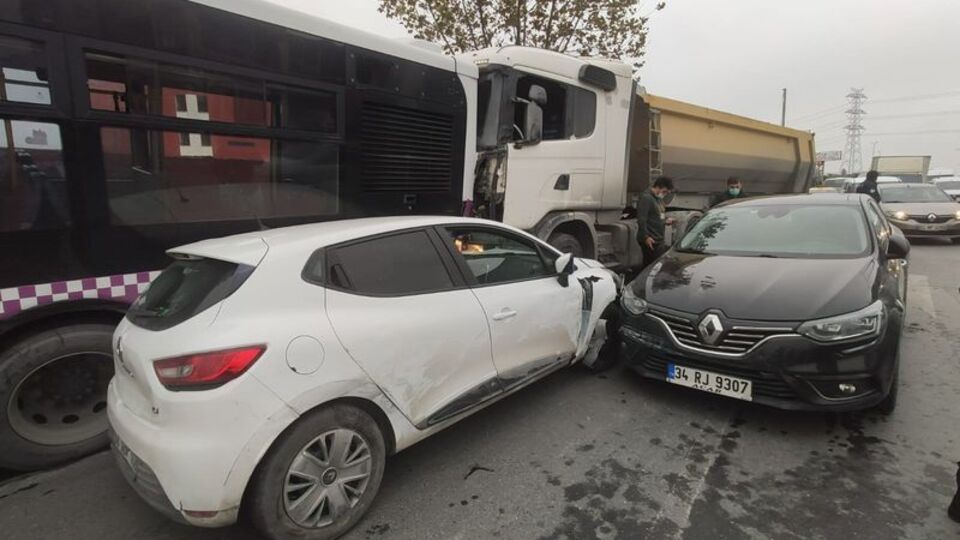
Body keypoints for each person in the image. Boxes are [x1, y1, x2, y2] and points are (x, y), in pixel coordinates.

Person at [637, 176, 675, 269]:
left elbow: (658, 215)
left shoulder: (658, 199)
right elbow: (642, 219)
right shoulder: (646, 198)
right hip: (651, 240)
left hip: (658, 238)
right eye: (664, 191)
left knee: (657, 266)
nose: (665, 194)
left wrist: (665, 220)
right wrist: (646, 237)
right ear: (658, 187)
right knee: (650, 266)